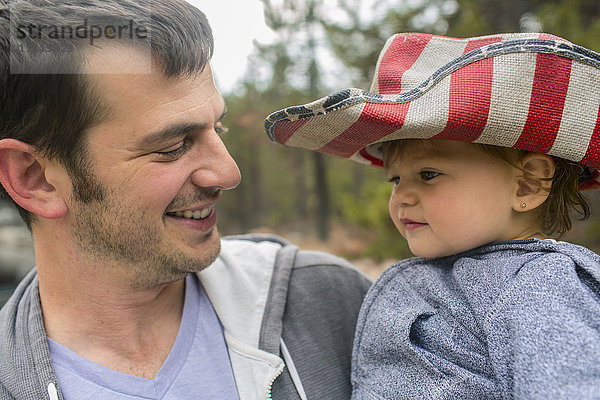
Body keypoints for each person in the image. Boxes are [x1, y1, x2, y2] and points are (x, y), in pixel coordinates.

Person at [0, 1, 372, 399]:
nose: (228, 174)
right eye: (174, 146)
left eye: (219, 127)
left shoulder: (329, 303)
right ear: (35, 178)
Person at [265, 32, 600, 398]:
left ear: (528, 184)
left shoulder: (539, 285)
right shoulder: (443, 273)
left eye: (428, 175)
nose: (400, 196)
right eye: (396, 179)